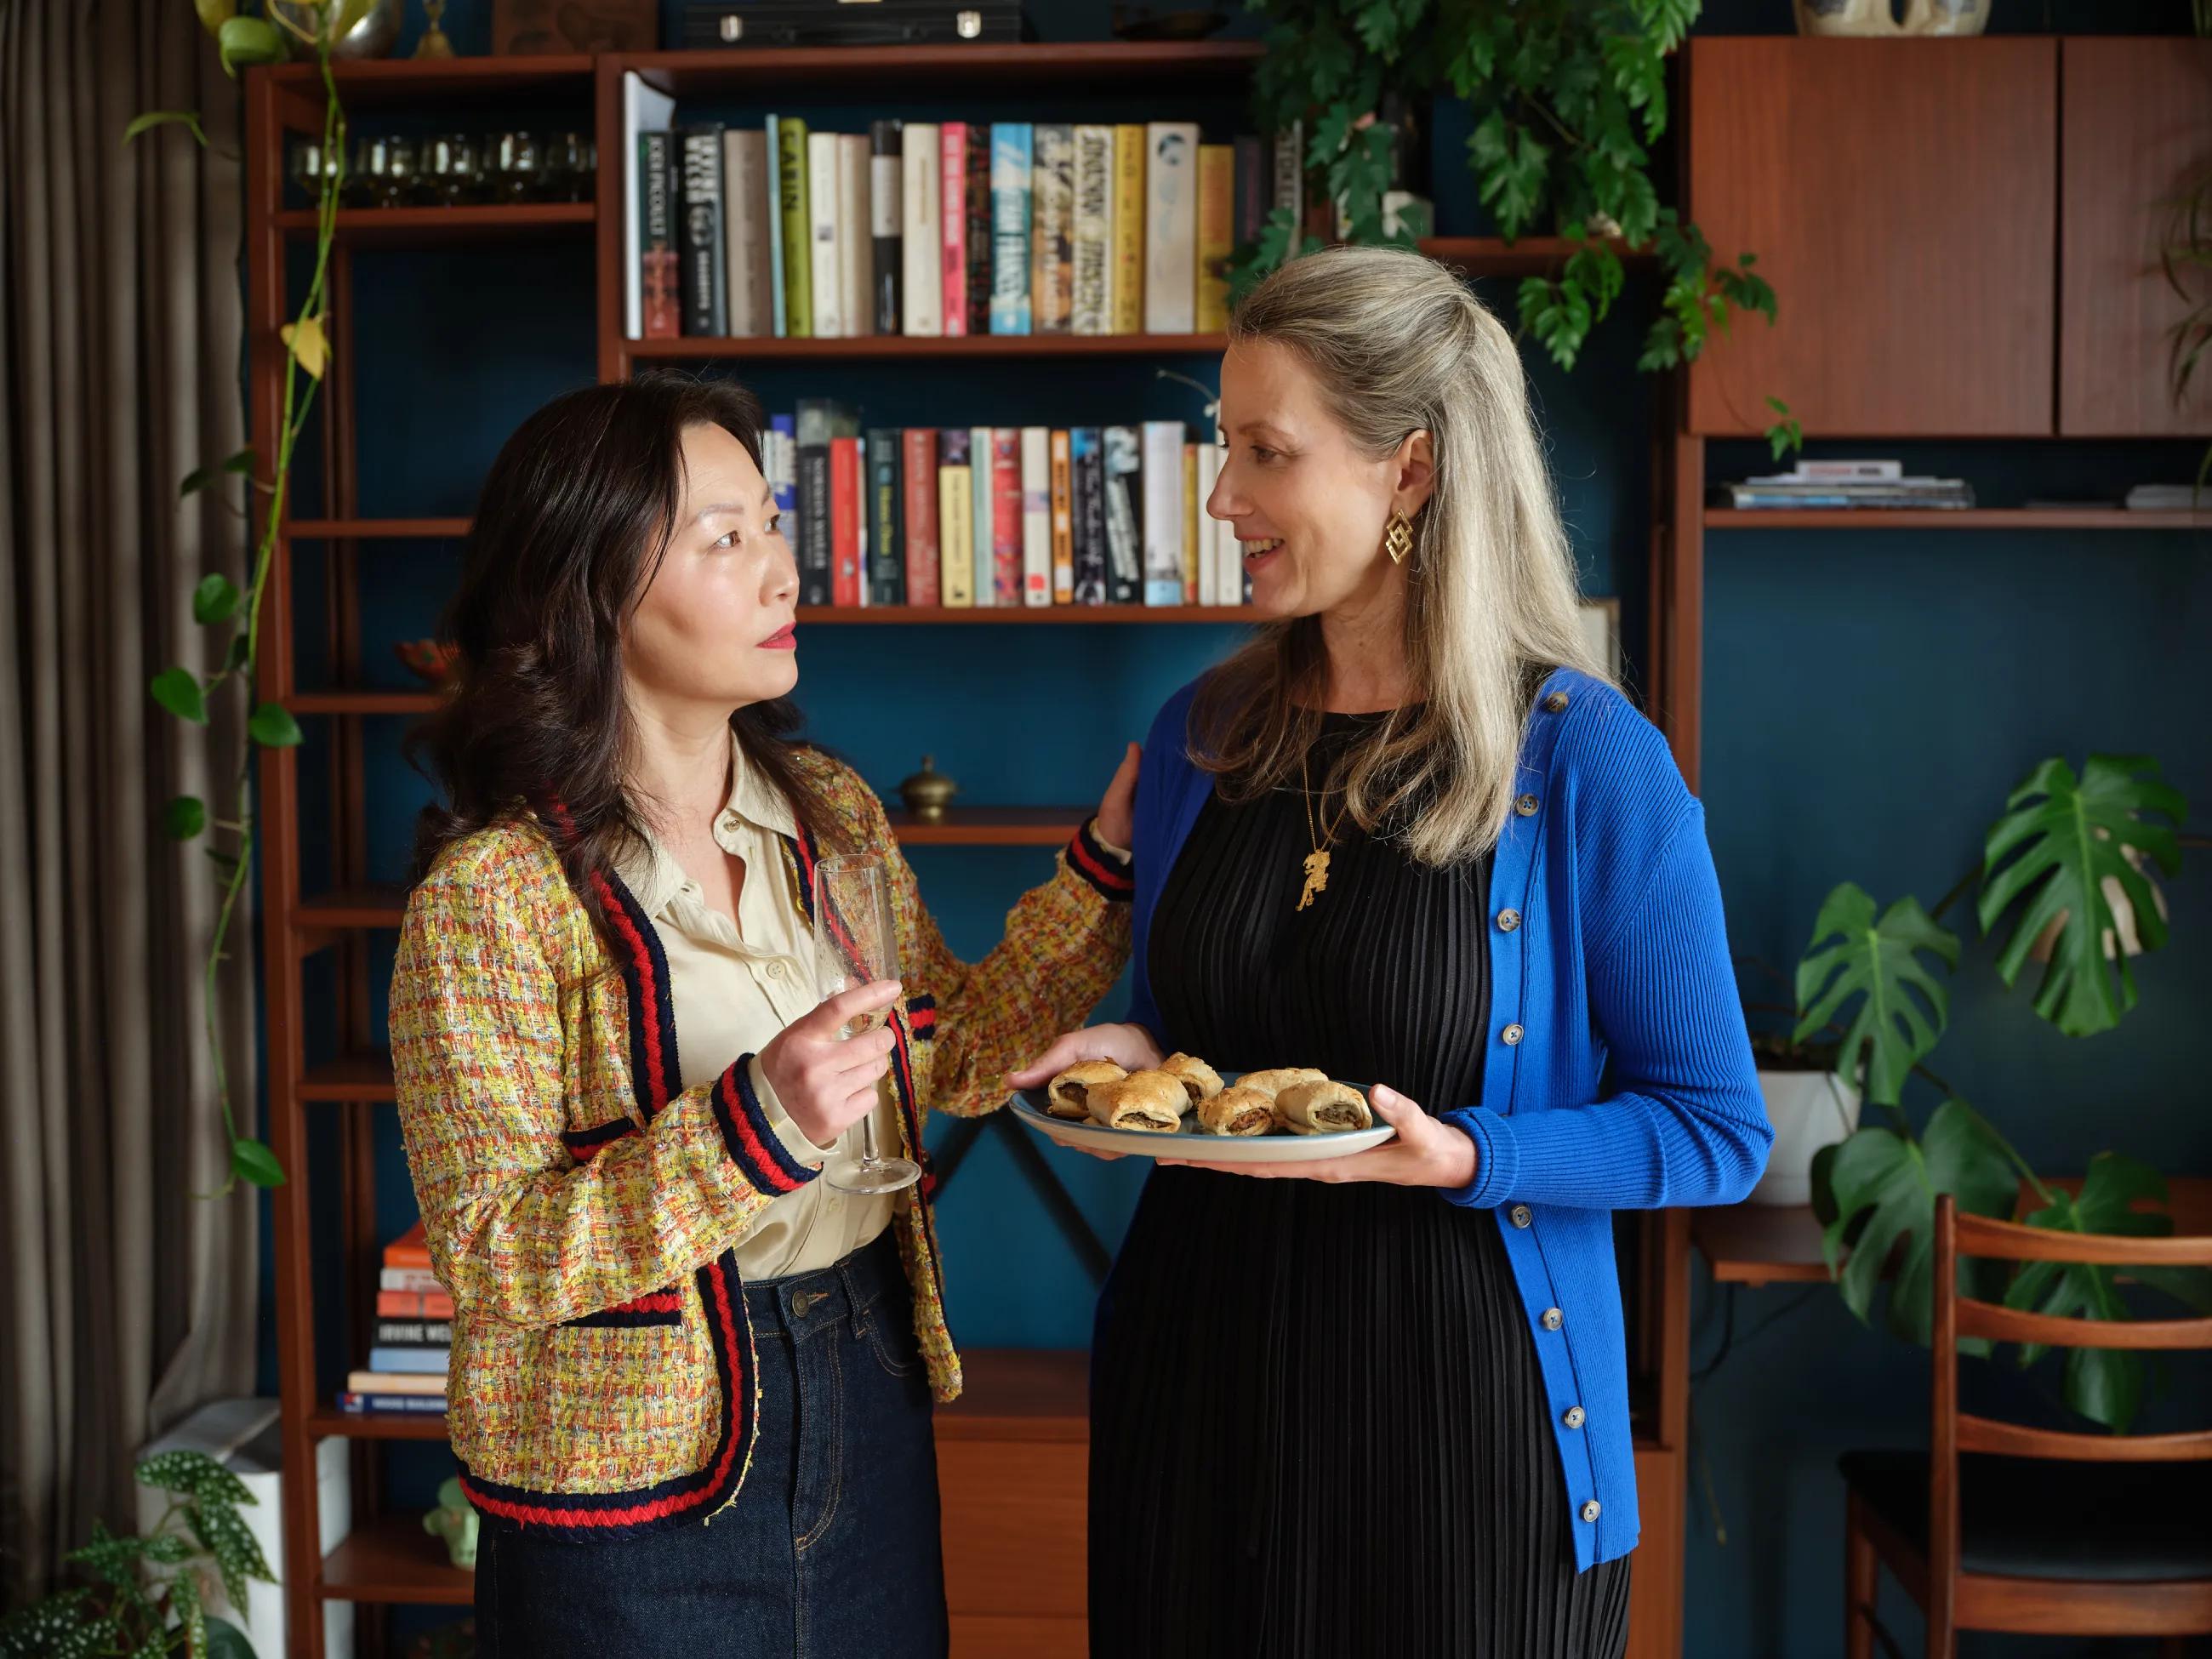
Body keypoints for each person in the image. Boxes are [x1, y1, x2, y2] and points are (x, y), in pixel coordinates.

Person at [1011, 245, 1770, 1658]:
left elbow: (1717, 1129)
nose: (1223, 496)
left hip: (1464, 1438)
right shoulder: (1199, 733)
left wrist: (1477, 1153)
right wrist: (1134, 1051)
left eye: (1266, 451)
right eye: (1225, 446)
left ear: (1409, 470)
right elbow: (1191, 1029)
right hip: (1198, 1407)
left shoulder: (1584, 758)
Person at [390, 373, 1138, 1657]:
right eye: (726, 538)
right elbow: (494, 1253)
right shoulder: (490, 896)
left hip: (867, 1388)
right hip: (625, 1488)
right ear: (591, 589)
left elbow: (948, 1048)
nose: (786, 572)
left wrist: (1107, 864)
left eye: (774, 526)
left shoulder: (830, 812)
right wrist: (751, 1132)